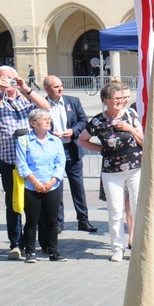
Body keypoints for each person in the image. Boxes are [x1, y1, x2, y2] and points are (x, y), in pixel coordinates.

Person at [0, 66, 50, 260]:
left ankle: (37, 243)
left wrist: (25, 88)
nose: (7, 82)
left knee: (36, 203)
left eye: (10, 78)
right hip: (10, 162)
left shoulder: (26, 99)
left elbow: (46, 108)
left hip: (32, 162)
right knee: (14, 203)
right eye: (2, 78)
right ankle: (16, 244)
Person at [78, 80, 143, 262]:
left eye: (122, 98)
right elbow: (82, 140)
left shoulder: (130, 114)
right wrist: (101, 150)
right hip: (111, 170)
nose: (120, 101)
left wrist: (130, 129)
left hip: (135, 167)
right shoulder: (98, 120)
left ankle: (137, 246)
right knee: (115, 210)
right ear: (105, 100)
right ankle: (117, 248)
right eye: (116, 98)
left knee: (137, 209)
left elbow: (144, 141)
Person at [43, 75, 97, 233]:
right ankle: (58, 222)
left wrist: (72, 131)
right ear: (47, 89)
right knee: (56, 188)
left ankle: (83, 220)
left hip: (71, 149)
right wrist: (50, 133)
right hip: (52, 153)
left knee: (78, 186)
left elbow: (83, 122)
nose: (60, 89)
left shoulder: (73, 101)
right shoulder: (41, 105)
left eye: (61, 86)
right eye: (56, 87)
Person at [16, 109, 66, 263]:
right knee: (32, 220)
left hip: (51, 185)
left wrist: (52, 180)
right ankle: (30, 252)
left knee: (52, 221)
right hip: (32, 186)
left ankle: (53, 252)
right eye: (44, 119)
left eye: (48, 119)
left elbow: (60, 163)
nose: (47, 122)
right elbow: (22, 164)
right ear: (33, 123)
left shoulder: (55, 141)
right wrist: (35, 181)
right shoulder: (24, 140)